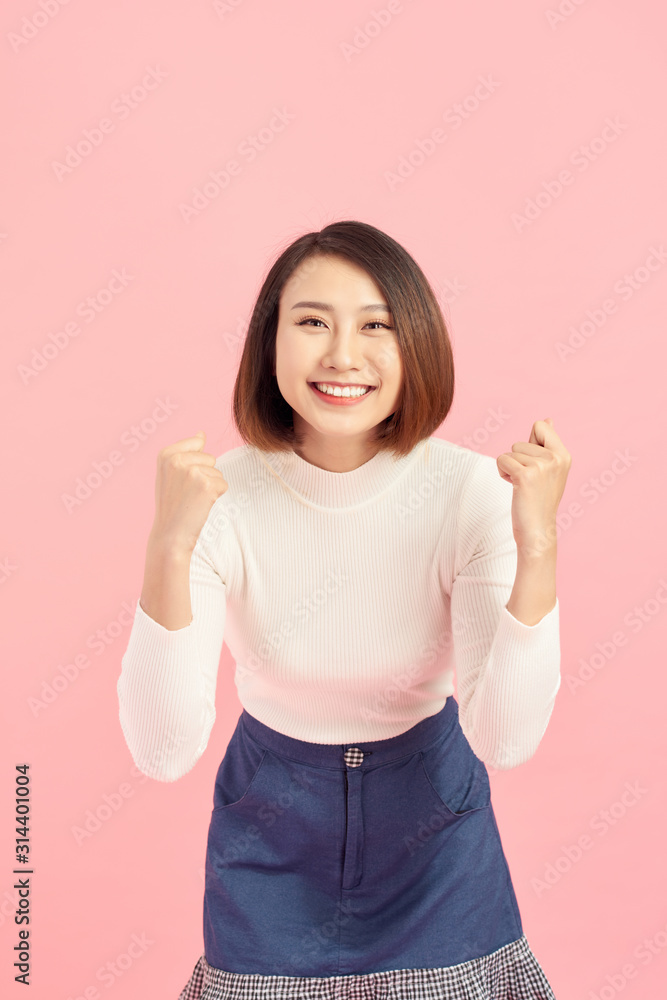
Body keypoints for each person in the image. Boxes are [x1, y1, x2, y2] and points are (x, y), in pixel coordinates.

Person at [116, 220, 571, 1000]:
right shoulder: (216, 498)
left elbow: (504, 738)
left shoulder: (469, 495)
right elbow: (161, 751)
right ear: (270, 343)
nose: (342, 356)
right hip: (268, 826)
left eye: (375, 326)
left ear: (416, 344)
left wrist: (537, 546)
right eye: (312, 323)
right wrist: (167, 545)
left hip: (434, 833)